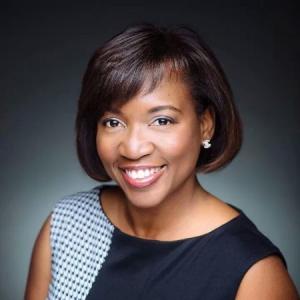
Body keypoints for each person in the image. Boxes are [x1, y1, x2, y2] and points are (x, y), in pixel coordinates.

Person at [25, 23, 299, 299]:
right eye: (113, 121)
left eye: (161, 120)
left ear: (205, 125)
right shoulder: (67, 225)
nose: (132, 148)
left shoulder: (254, 273)